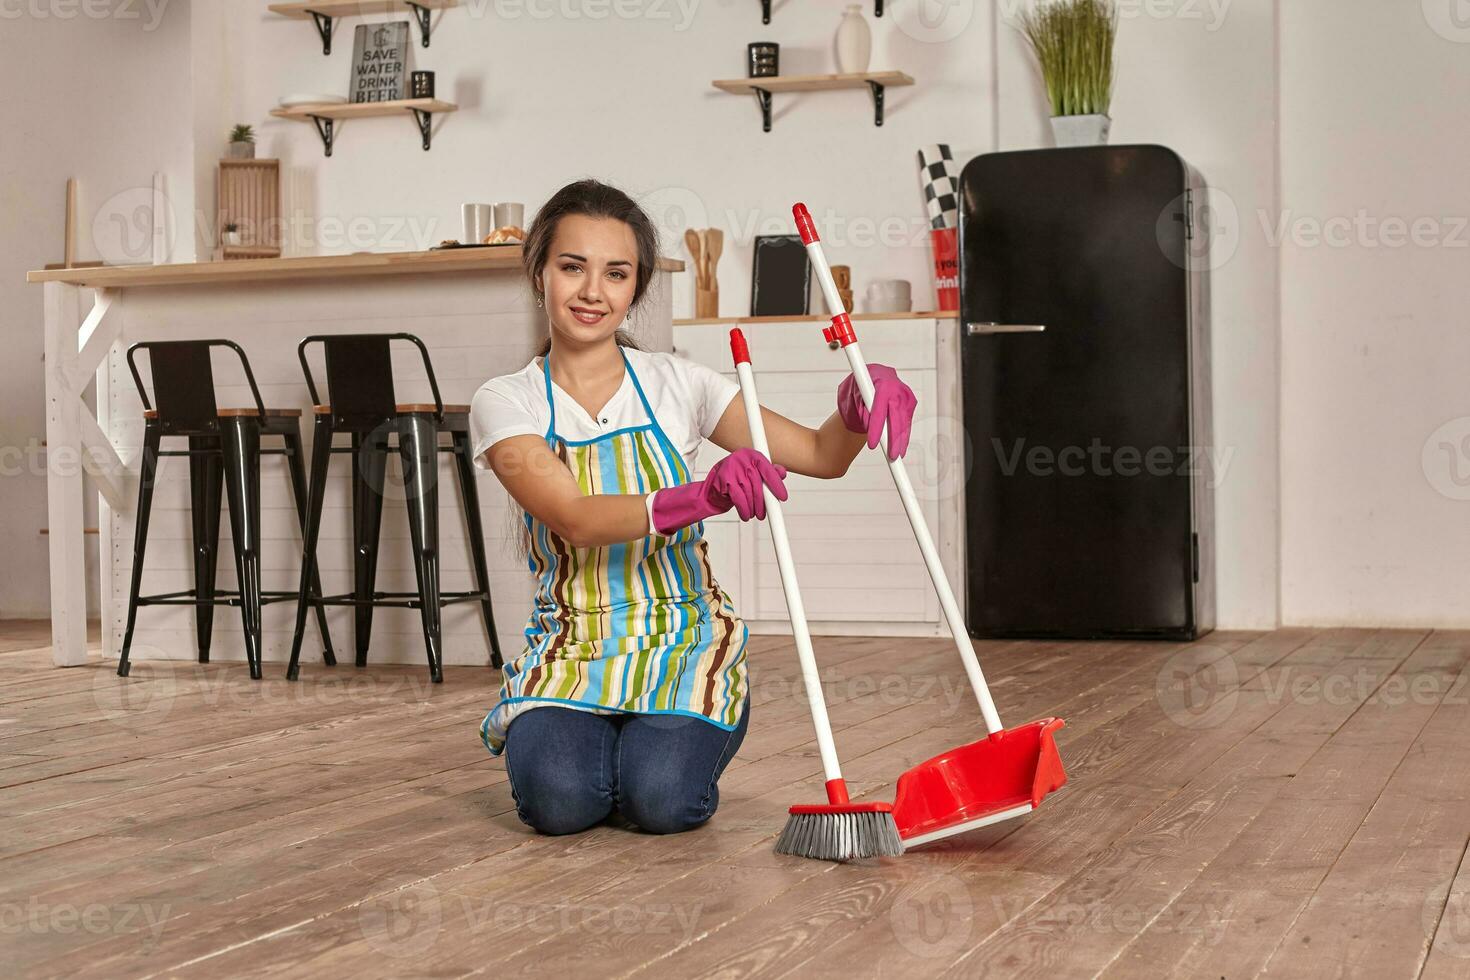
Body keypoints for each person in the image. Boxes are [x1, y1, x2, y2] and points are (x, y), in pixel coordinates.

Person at [469, 178, 917, 836]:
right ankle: (617, 734)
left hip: (682, 638)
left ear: (635, 287)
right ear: (539, 272)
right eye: (573, 267)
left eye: (616, 273)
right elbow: (575, 518)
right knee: (558, 804)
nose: (593, 291)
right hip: (573, 643)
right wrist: (702, 494)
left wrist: (856, 406)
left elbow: (822, 453)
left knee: (660, 801)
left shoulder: (680, 384)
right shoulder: (507, 400)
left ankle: (686, 725)